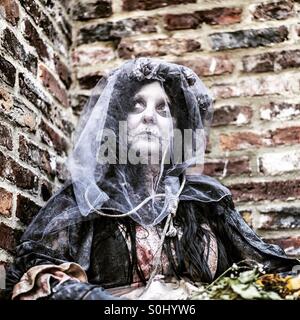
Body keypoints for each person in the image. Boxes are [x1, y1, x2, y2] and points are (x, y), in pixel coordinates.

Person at [5, 58, 298, 300]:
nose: (149, 117)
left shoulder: (206, 200)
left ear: (176, 128)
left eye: (163, 109)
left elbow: (270, 268)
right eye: (136, 106)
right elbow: (36, 272)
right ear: (119, 123)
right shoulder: (87, 198)